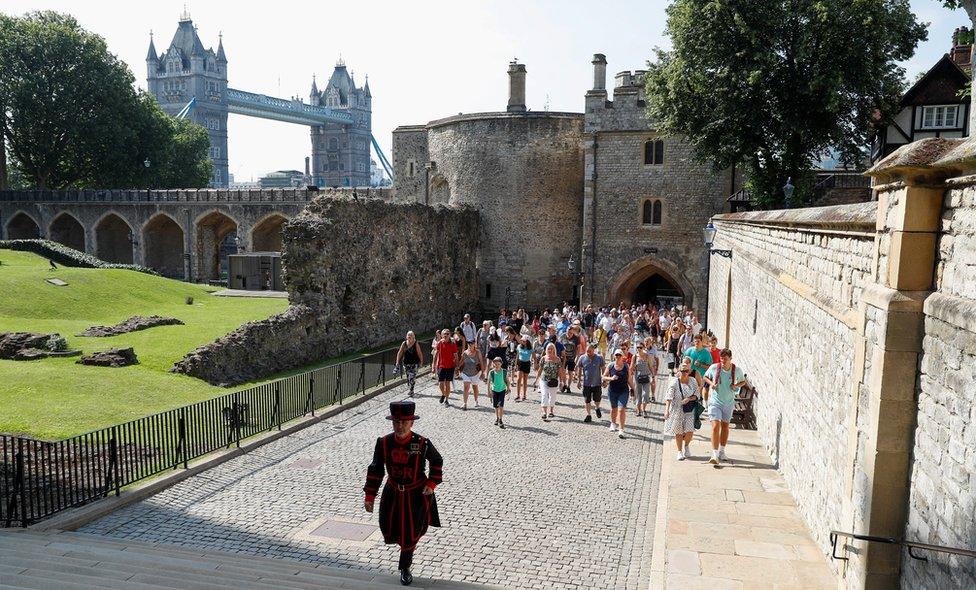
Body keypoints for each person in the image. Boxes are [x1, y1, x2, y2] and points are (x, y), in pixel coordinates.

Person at [364, 400, 442, 586]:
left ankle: (405, 567)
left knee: (411, 531)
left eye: (404, 422)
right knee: (390, 527)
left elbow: (437, 460)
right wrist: (370, 496)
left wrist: (431, 483)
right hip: (392, 495)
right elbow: (376, 469)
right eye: (396, 422)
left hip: (416, 496)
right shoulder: (384, 443)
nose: (400, 426)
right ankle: (405, 554)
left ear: (411, 423)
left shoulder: (422, 443)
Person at [703, 349, 747, 464]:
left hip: (728, 402)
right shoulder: (714, 367)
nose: (723, 361)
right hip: (715, 402)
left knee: (725, 426)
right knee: (715, 426)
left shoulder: (736, 370)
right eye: (721, 359)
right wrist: (712, 383)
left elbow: (743, 382)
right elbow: (705, 377)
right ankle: (714, 454)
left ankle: (722, 451)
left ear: (730, 359)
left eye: (725, 359)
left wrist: (736, 385)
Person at [664, 358, 699, 460]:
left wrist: (689, 398)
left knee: (690, 431)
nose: (684, 373)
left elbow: (697, 394)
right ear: (679, 371)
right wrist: (666, 411)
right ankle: (679, 451)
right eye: (682, 371)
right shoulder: (674, 382)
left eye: (686, 371)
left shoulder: (693, 381)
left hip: (689, 410)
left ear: (689, 371)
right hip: (677, 410)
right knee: (678, 432)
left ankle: (686, 445)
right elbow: (669, 397)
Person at [603, 348, 635, 439]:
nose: (617, 357)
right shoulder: (610, 365)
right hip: (612, 390)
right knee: (614, 408)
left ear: (622, 357)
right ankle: (613, 423)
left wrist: (633, 389)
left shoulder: (626, 366)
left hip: (623, 391)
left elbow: (629, 379)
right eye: (616, 355)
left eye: (619, 355)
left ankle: (621, 429)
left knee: (621, 410)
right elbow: (604, 377)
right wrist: (611, 378)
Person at [575, 343, 605, 423]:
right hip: (586, 383)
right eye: (587, 351)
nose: (588, 353)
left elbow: (603, 369)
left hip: (597, 383)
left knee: (597, 399)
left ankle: (597, 408)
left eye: (590, 351)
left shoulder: (599, 358)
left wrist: (604, 380)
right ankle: (589, 415)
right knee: (587, 400)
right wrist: (578, 381)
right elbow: (580, 369)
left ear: (593, 350)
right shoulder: (582, 358)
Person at [683, 333, 713, 401]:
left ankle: (699, 403)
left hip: (701, 377)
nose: (696, 343)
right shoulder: (689, 351)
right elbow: (683, 363)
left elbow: (709, 367)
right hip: (689, 376)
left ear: (702, 342)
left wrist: (701, 365)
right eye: (695, 341)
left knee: (697, 394)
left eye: (698, 341)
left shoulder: (706, 354)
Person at [432, 329, 459, 406]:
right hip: (441, 366)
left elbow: (456, 356)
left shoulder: (453, 344)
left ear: (450, 335)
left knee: (447, 384)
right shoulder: (440, 343)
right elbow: (435, 354)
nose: (446, 335)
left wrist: (457, 367)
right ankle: (443, 394)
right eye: (444, 334)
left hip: (450, 366)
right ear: (442, 335)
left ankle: (446, 400)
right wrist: (433, 366)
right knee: (440, 384)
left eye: (447, 334)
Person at [535, 343, 561, 421]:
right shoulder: (543, 358)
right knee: (544, 395)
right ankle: (544, 413)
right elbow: (540, 370)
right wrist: (536, 379)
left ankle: (551, 411)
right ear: (546, 350)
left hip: (554, 381)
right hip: (544, 380)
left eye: (551, 348)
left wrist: (562, 381)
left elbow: (560, 371)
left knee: (552, 396)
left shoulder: (558, 359)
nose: (550, 350)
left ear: (554, 350)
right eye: (548, 348)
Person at [395, 331, 424, 397]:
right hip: (406, 363)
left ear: (413, 336)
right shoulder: (404, 343)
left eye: (410, 335)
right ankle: (411, 388)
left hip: (414, 363)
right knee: (408, 377)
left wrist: (421, 362)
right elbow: (400, 353)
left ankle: (411, 390)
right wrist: (397, 362)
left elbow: (419, 353)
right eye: (408, 335)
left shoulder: (415, 343)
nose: (409, 336)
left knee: (412, 377)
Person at [459, 341, 485, 410]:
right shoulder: (465, 353)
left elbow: (481, 362)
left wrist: (483, 373)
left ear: (474, 345)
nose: (470, 345)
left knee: (474, 387)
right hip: (466, 372)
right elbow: (461, 362)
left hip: (475, 373)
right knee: (466, 387)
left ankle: (476, 400)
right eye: (469, 344)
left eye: (472, 344)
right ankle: (465, 403)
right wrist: (457, 368)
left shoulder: (478, 352)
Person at [633, 341, 653, 418]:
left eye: (640, 347)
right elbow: (631, 367)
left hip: (646, 377)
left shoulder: (648, 356)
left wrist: (653, 375)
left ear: (644, 348)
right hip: (637, 377)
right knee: (638, 394)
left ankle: (644, 410)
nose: (639, 349)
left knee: (645, 394)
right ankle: (638, 410)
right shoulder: (635, 357)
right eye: (637, 347)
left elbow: (651, 366)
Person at [487, 357, 508, 428]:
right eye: (495, 364)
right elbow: (489, 382)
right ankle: (497, 418)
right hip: (494, 390)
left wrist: (508, 388)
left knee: (501, 405)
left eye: (498, 364)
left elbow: (507, 380)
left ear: (501, 364)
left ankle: (500, 419)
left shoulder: (504, 372)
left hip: (502, 390)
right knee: (496, 406)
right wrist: (488, 391)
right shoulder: (491, 372)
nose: (497, 365)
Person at [515, 335, 533, 401]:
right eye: (522, 341)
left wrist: (536, 364)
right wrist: (515, 364)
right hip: (520, 363)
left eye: (524, 341)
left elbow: (534, 357)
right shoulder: (519, 346)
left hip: (527, 363)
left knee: (525, 380)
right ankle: (518, 395)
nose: (522, 342)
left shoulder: (530, 348)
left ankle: (524, 395)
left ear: (527, 342)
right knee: (518, 379)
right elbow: (517, 356)